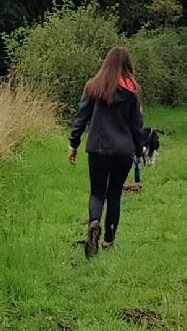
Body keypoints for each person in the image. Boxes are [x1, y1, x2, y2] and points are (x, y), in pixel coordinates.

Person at [67, 47, 144, 256]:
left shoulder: (93, 86)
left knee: (97, 192)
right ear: (127, 66)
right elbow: (137, 126)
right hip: (123, 151)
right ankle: (109, 240)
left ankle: (94, 223)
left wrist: (73, 144)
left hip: (98, 148)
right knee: (115, 195)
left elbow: (81, 118)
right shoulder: (132, 91)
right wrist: (139, 152)